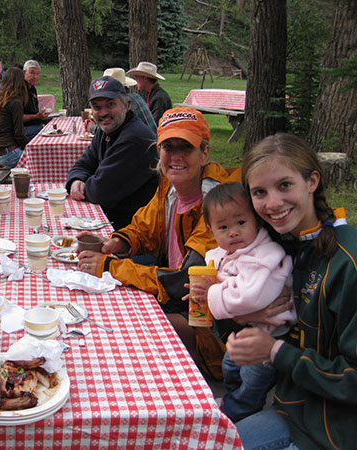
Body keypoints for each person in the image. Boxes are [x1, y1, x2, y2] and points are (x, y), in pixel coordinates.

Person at [76, 106, 237, 378]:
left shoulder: (220, 205)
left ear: (205, 153)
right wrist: (117, 243)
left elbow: (183, 281)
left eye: (185, 147)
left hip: (209, 327)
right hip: (180, 302)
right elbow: (144, 226)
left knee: (124, 326)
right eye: (168, 147)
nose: (175, 156)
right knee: (105, 307)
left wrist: (110, 267)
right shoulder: (171, 186)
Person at [226, 133, 357, 450]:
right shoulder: (273, 245)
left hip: (335, 430)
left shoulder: (348, 261)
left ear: (312, 181)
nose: (272, 204)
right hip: (291, 408)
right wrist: (236, 311)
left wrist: (275, 352)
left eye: (285, 185)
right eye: (260, 192)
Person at [191, 182, 296, 422]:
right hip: (248, 329)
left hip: (271, 336)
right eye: (223, 227)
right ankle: (231, 401)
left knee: (252, 380)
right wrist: (201, 289)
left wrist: (212, 293)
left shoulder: (263, 256)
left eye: (241, 223)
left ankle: (240, 415)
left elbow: (249, 297)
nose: (233, 232)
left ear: (256, 220)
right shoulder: (229, 252)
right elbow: (220, 275)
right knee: (230, 366)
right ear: (211, 230)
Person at [65, 76, 158, 230]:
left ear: (126, 106)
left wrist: (83, 185)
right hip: (111, 219)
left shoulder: (133, 138)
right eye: (97, 107)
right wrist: (76, 180)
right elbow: (84, 163)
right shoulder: (109, 129)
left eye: (110, 104)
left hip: (133, 231)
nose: (103, 113)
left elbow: (100, 192)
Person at [0, 67, 28, 168]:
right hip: (9, 153)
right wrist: (28, 148)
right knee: (40, 163)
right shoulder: (15, 102)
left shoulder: (1, 99)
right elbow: (19, 134)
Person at [102, 67, 157, 134]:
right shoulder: (135, 97)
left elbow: (113, 128)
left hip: (142, 141)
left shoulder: (124, 102)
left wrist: (92, 127)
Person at [22, 59, 49, 142]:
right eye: (32, 73)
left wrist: (40, 115)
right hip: (25, 129)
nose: (35, 77)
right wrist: (37, 116)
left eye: (37, 74)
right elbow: (18, 117)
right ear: (24, 72)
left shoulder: (33, 89)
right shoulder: (20, 89)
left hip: (35, 125)